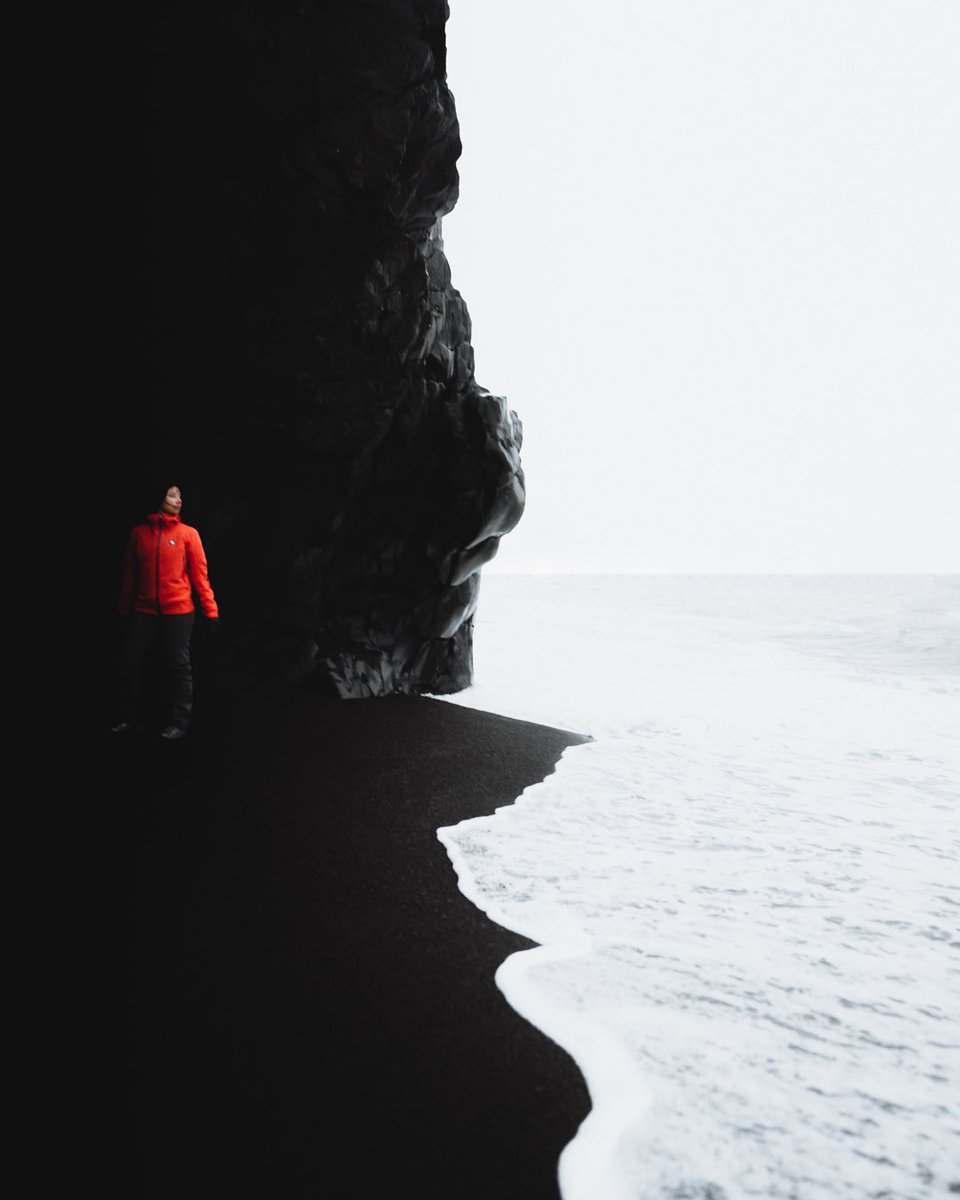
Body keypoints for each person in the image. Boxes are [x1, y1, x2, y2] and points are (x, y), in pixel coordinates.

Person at [113, 484, 220, 739]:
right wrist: (123, 607)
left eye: (181, 495)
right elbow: (129, 575)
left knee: (179, 666)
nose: (178, 500)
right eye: (173, 494)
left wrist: (211, 610)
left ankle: (180, 723)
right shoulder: (138, 534)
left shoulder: (188, 534)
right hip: (144, 609)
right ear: (159, 496)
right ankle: (129, 717)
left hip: (179, 610)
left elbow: (200, 576)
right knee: (131, 660)